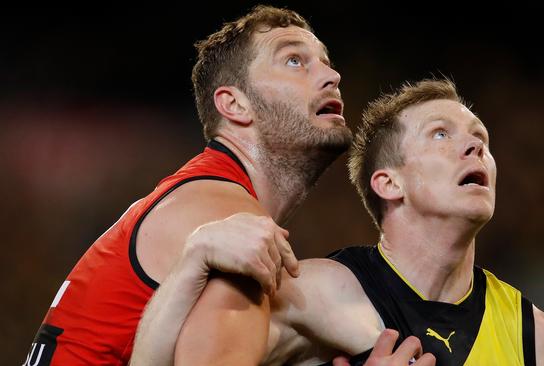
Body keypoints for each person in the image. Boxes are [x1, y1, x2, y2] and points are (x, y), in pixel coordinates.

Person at [24, 6, 424, 366]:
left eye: (326, 62)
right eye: (294, 60)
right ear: (234, 105)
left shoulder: (204, 198)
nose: (332, 76)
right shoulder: (228, 221)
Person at [132, 78, 544, 366]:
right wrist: (193, 259)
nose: (475, 148)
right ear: (388, 183)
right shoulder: (311, 293)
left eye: (482, 140)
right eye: (441, 133)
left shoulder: (538, 338)